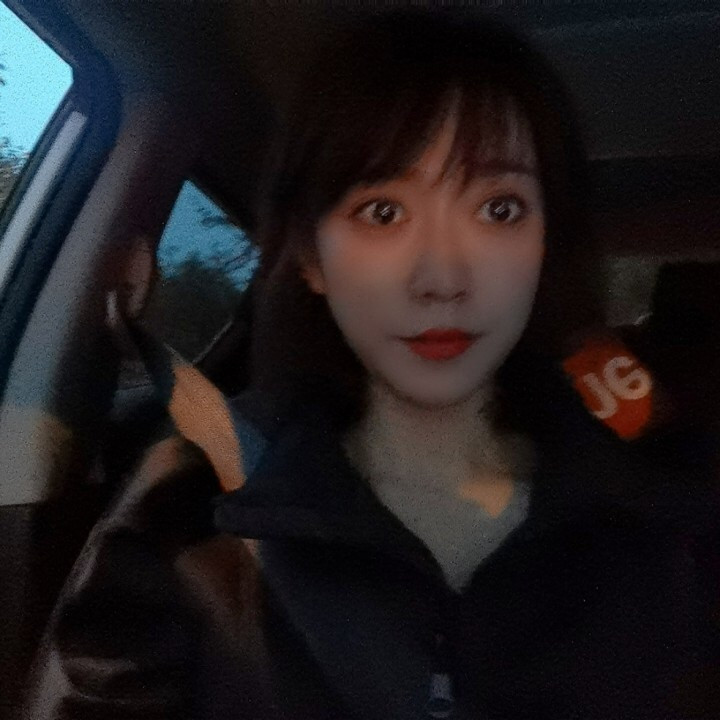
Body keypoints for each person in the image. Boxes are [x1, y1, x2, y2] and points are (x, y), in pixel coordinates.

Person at [25, 11, 719, 720]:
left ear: (546, 248)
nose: (443, 278)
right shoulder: (189, 508)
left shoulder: (671, 513)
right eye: (383, 212)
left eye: (499, 209)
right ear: (311, 258)